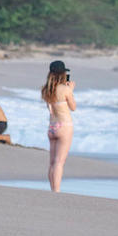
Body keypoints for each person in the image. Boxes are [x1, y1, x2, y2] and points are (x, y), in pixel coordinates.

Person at [41, 60, 76, 192]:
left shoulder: (46, 90)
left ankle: (52, 188)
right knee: (59, 162)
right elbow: (73, 107)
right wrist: (71, 90)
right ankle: (56, 191)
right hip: (64, 126)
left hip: (52, 127)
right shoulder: (65, 90)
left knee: (52, 163)